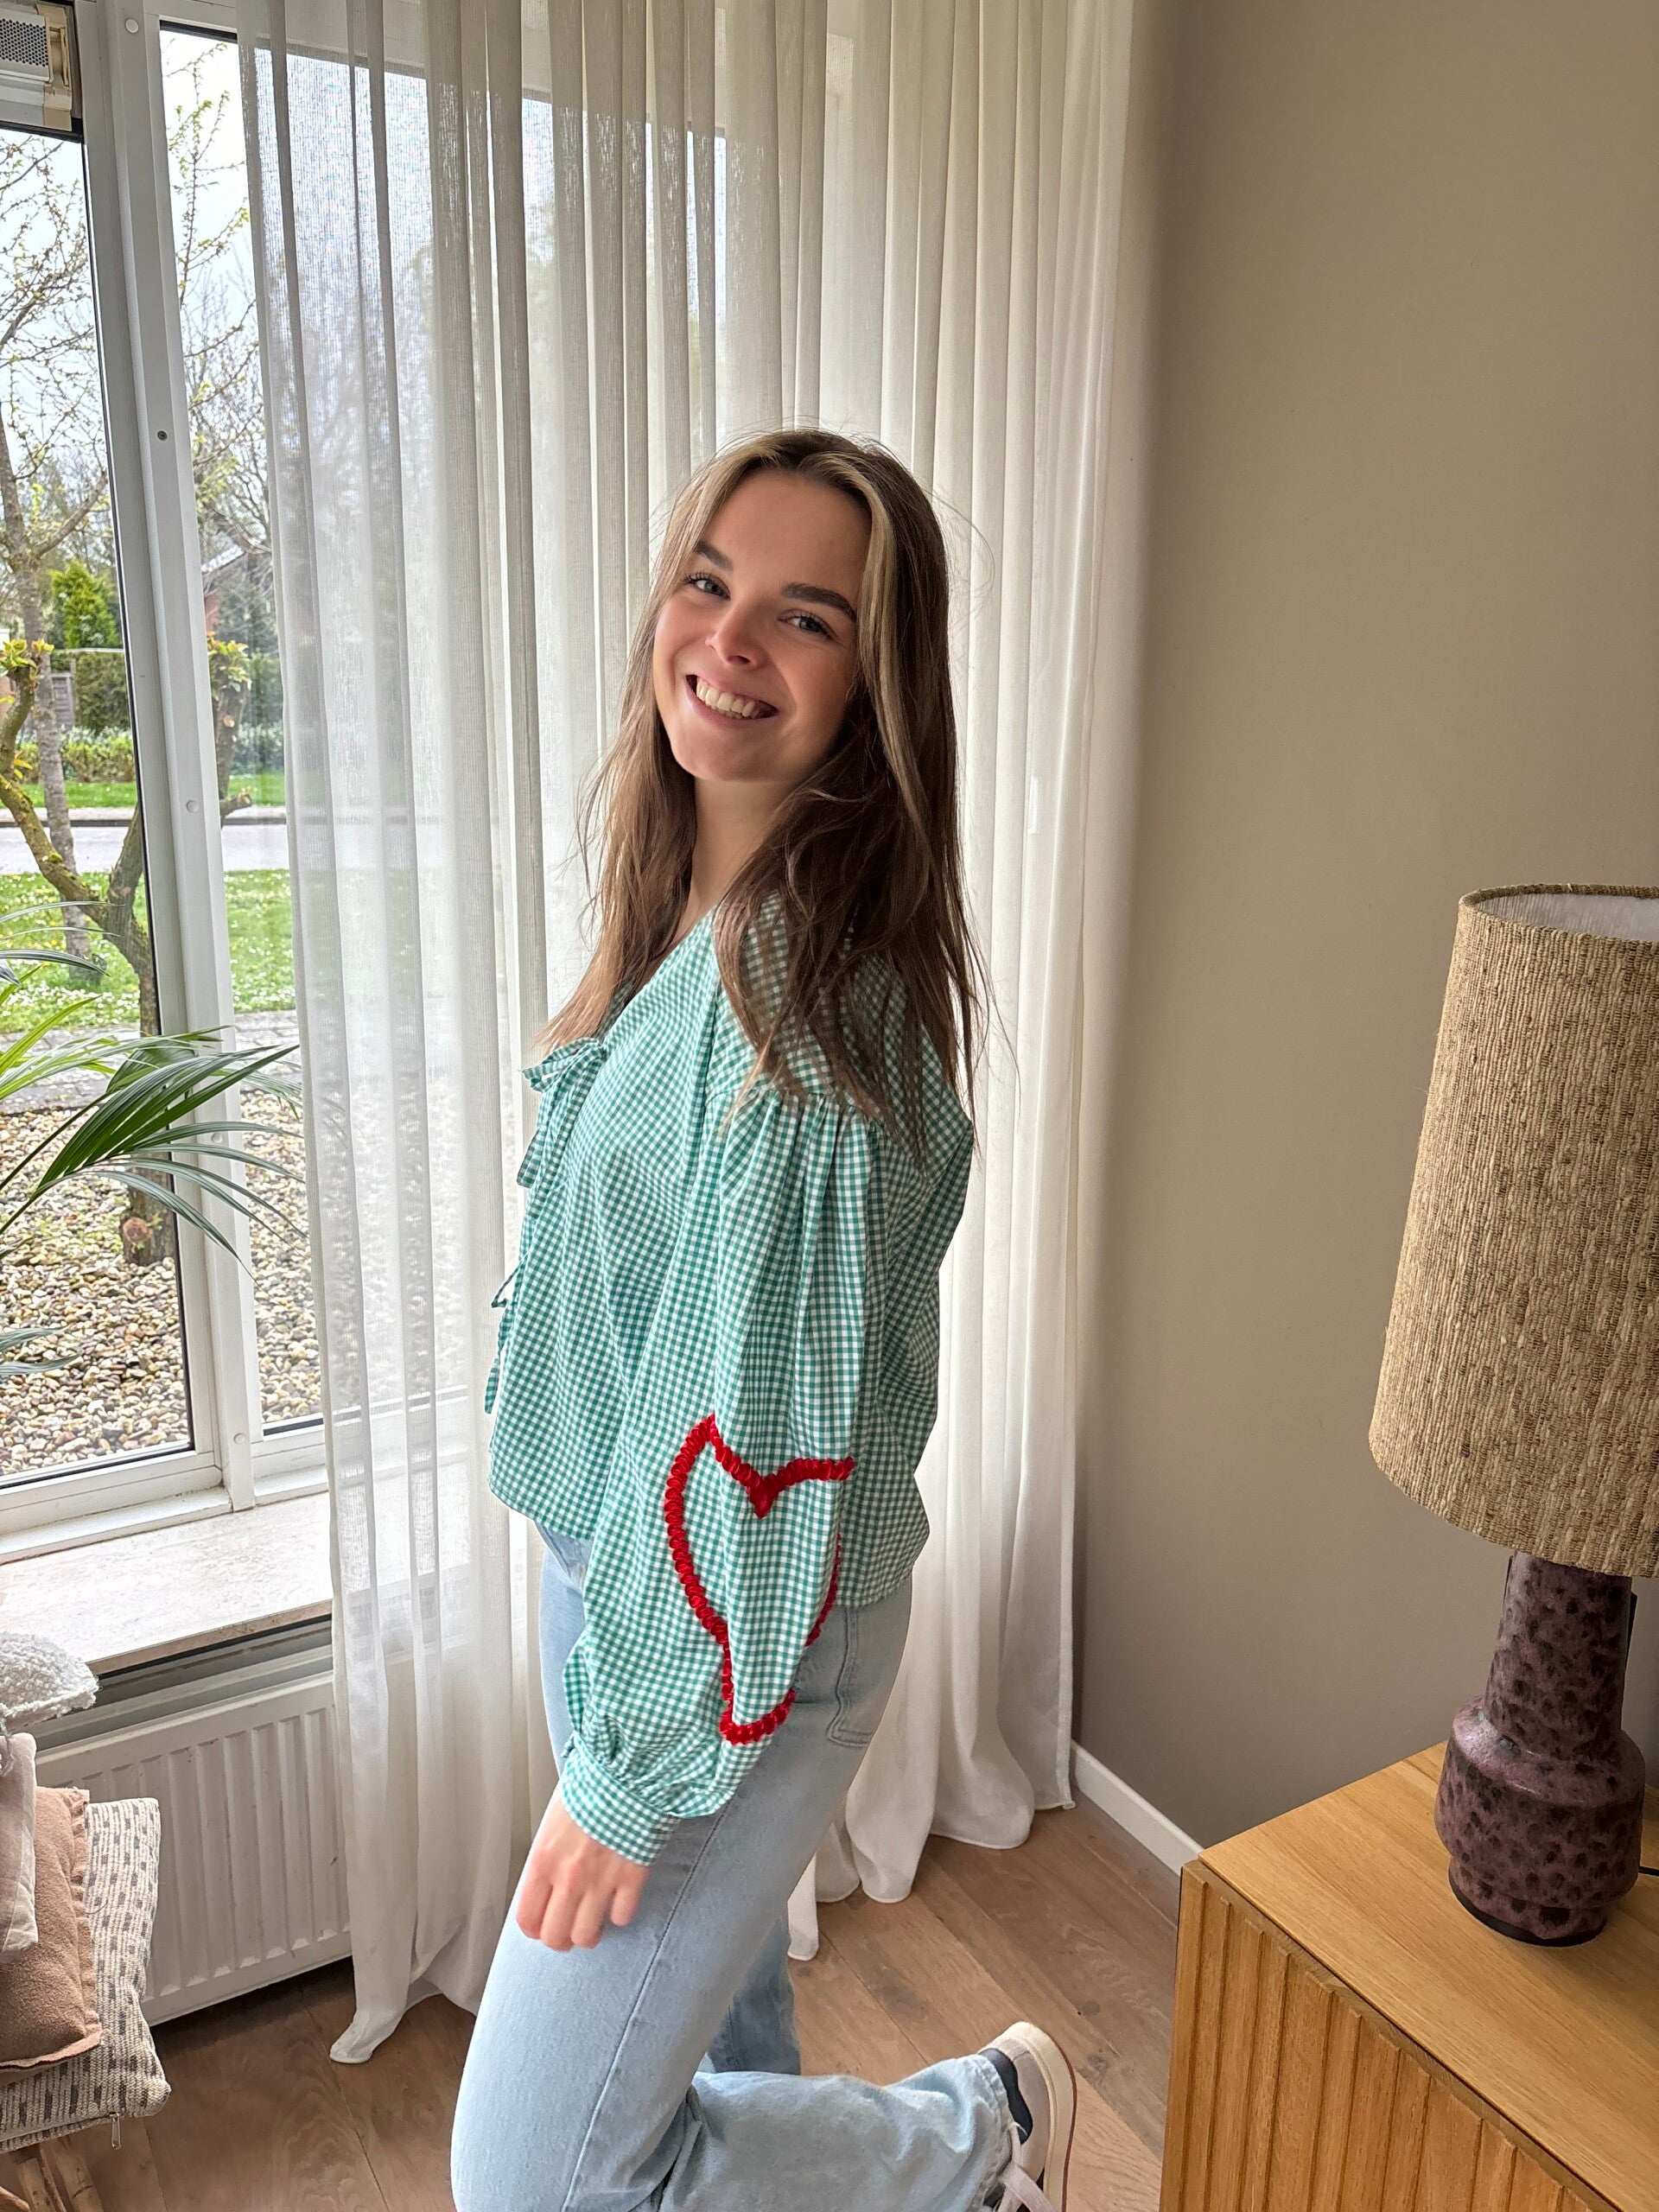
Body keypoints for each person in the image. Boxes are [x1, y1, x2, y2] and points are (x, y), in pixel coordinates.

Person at [450, 428, 1076, 2212]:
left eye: (807, 615)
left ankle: (985, 2130)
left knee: (539, 2175)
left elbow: (754, 1453)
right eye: (708, 581)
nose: (728, 638)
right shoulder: (687, 913)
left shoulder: (806, 1019)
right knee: (705, 2033)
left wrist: (635, 1769)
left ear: (878, 687)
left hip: (732, 1618)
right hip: (629, 1569)